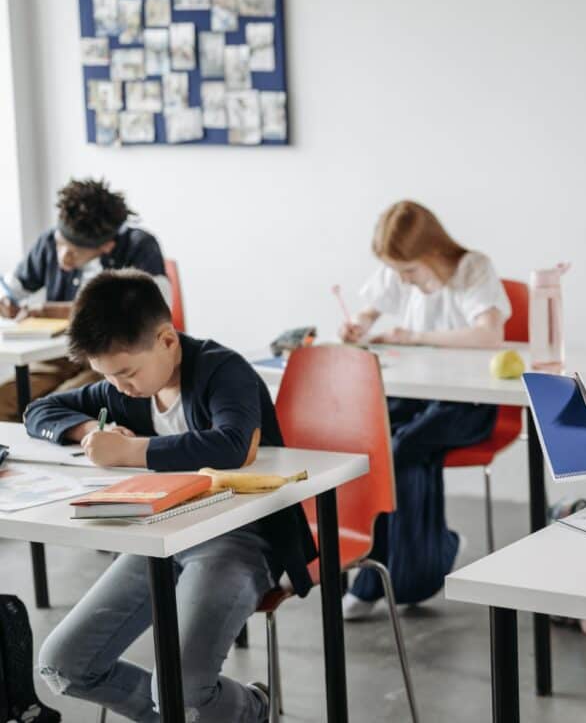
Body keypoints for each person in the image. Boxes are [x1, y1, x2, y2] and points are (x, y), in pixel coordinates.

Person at [28, 269, 314, 723]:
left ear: (166, 340)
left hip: (240, 538)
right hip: (160, 539)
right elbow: (40, 409)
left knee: (180, 691)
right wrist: (85, 429)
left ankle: (249, 710)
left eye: (126, 373)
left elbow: (232, 444)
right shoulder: (129, 388)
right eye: (108, 377)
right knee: (63, 664)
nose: (119, 388)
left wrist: (131, 452)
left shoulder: (224, 370)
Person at [338, 200, 510, 619]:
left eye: (409, 271)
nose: (403, 280)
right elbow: (369, 309)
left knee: (404, 447)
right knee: (372, 442)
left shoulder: (473, 268)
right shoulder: (401, 270)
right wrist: (358, 324)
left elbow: (490, 334)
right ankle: (426, 556)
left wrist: (414, 337)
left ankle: (380, 579)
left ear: (432, 251)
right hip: (418, 395)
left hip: (470, 404)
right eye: (397, 272)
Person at [0, 178, 169, 421]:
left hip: (112, 358)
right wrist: (6, 301)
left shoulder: (139, 247)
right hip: (61, 355)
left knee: (54, 407)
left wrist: (50, 310)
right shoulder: (48, 242)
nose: (63, 257)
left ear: (107, 246)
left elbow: (153, 311)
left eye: (74, 252)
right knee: (5, 398)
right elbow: (11, 287)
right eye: (60, 244)